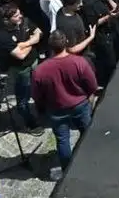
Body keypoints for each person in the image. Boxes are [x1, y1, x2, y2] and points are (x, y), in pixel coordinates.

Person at [31, 30, 99, 174]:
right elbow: (92, 85)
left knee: (62, 140)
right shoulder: (79, 62)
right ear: (66, 42)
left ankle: (68, 171)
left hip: (56, 109)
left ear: (50, 47)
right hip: (80, 105)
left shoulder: (40, 70)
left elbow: (37, 96)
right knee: (87, 133)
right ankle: (93, 161)